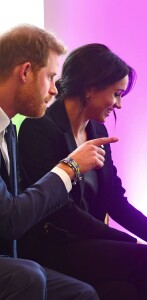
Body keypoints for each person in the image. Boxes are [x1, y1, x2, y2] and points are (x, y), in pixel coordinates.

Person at [16, 43, 147, 300]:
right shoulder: (38, 129)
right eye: (116, 94)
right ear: (90, 89)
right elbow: (60, 212)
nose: (119, 104)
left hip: (87, 244)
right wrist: (132, 243)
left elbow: (116, 203)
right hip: (52, 245)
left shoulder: (98, 132)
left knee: (122, 291)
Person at [0, 24, 122, 300]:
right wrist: (69, 168)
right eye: (51, 77)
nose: (56, 90)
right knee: (27, 276)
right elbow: (10, 220)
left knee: (82, 293)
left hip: (11, 257)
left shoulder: (8, 131)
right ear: (26, 72)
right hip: (15, 261)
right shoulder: (32, 129)